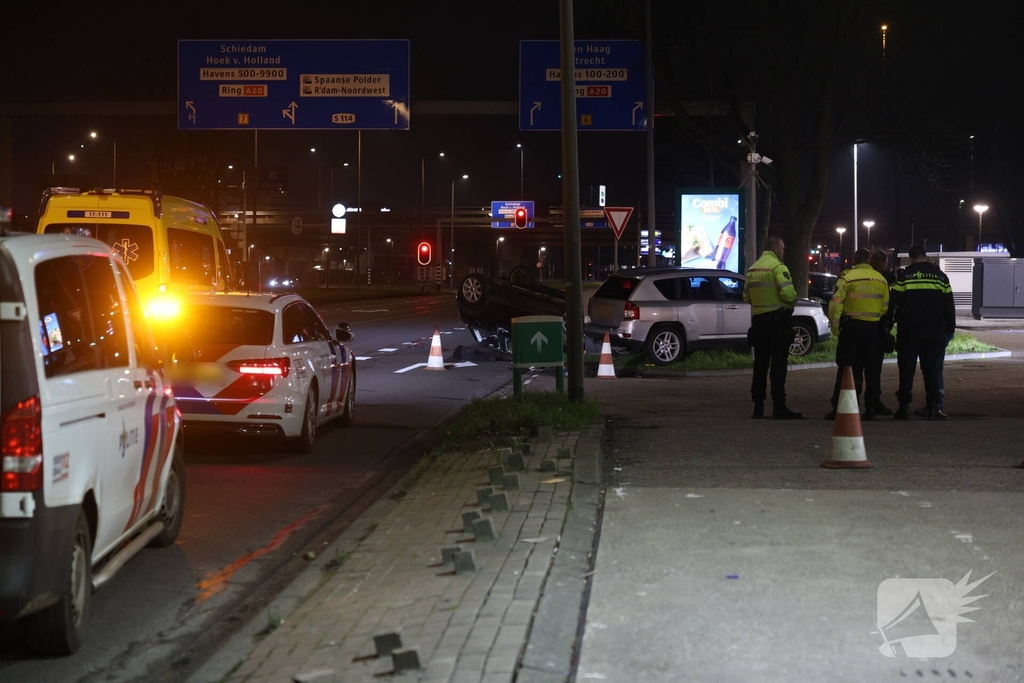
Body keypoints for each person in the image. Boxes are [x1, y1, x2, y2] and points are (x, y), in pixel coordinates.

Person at [888, 245, 956, 420]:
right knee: (931, 369)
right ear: (925, 257)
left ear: (911, 258)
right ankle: (933, 407)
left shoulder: (905, 276)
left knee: (906, 370)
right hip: (933, 331)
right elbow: (949, 306)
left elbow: (894, 300)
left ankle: (904, 407)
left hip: (908, 330)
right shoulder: (940, 276)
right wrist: (950, 330)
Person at [825, 248, 891, 420]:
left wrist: (836, 328)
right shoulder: (881, 280)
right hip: (874, 329)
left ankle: (841, 407)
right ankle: (871, 408)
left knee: (847, 370)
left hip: (852, 330)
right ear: (869, 261)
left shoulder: (847, 278)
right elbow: (884, 306)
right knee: (872, 370)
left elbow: (835, 305)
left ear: (854, 260)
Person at [744, 235, 802, 419]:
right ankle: (779, 406)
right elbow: (788, 294)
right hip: (777, 322)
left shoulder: (752, 269)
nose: (783, 251)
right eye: (782, 248)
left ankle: (758, 406)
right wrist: (791, 300)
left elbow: (746, 297)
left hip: (759, 322)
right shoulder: (778, 267)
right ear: (775, 248)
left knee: (760, 364)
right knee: (778, 364)